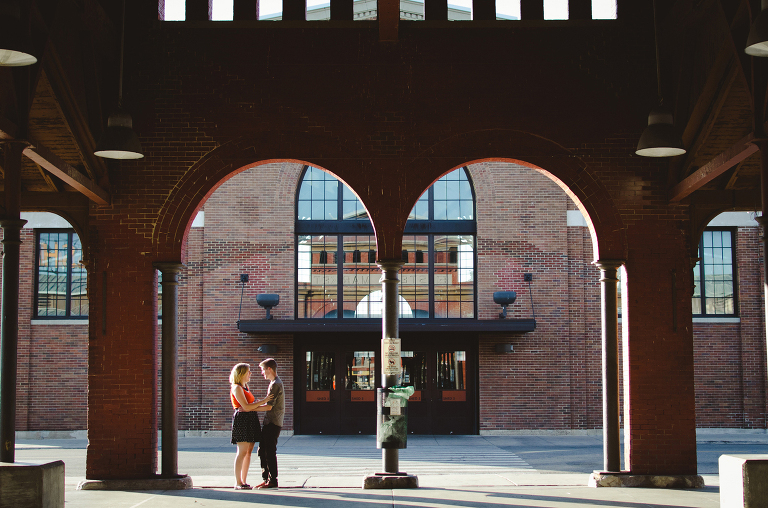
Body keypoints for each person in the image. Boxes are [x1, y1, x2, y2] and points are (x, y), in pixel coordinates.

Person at [230, 363, 273, 490]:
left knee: (248, 452)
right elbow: (246, 407)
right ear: (241, 373)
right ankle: (238, 482)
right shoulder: (237, 388)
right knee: (242, 452)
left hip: (250, 418)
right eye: (248, 371)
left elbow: (251, 406)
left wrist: (266, 407)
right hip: (242, 420)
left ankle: (244, 481)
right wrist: (264, 401)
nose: (251, 374)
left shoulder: (245, 387)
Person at [255, 358, 284, 489]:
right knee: (262, 451)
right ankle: (266, 478)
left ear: (269, 369)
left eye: (263, 370)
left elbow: (269, 407)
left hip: (273, 422)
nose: (262, 373)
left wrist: (250, 407)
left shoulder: (276, 384)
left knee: (269, 451)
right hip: (269, 422)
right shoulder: (273, 383)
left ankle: (272, 480)